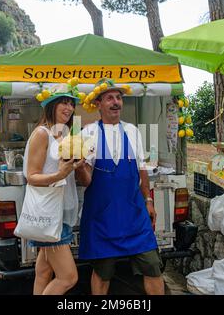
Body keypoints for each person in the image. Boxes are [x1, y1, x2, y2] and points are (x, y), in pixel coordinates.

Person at [75, 78, 164, 295]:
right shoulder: (87, 134)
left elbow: (142, 169)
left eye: (118, 98)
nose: (116, 102)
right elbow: (84, 180)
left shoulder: (133, 130)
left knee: (152, 266)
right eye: (109, 98)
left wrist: (149, 200)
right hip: (102, 215)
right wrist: (78, 166)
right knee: (103, 271)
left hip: (134, 213)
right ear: (98, 104)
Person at [23, 84, 85, 295]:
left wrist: (77, 164)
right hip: (51, 216)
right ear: (51, 105)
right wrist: (60, 174)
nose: (69, 108)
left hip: (60, 214)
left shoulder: (64, 135)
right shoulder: (43, 134)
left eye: (71, 103)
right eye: (63, 102)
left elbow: (65, 171)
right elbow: (31, 176)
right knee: (68, 277)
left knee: (43, 271)